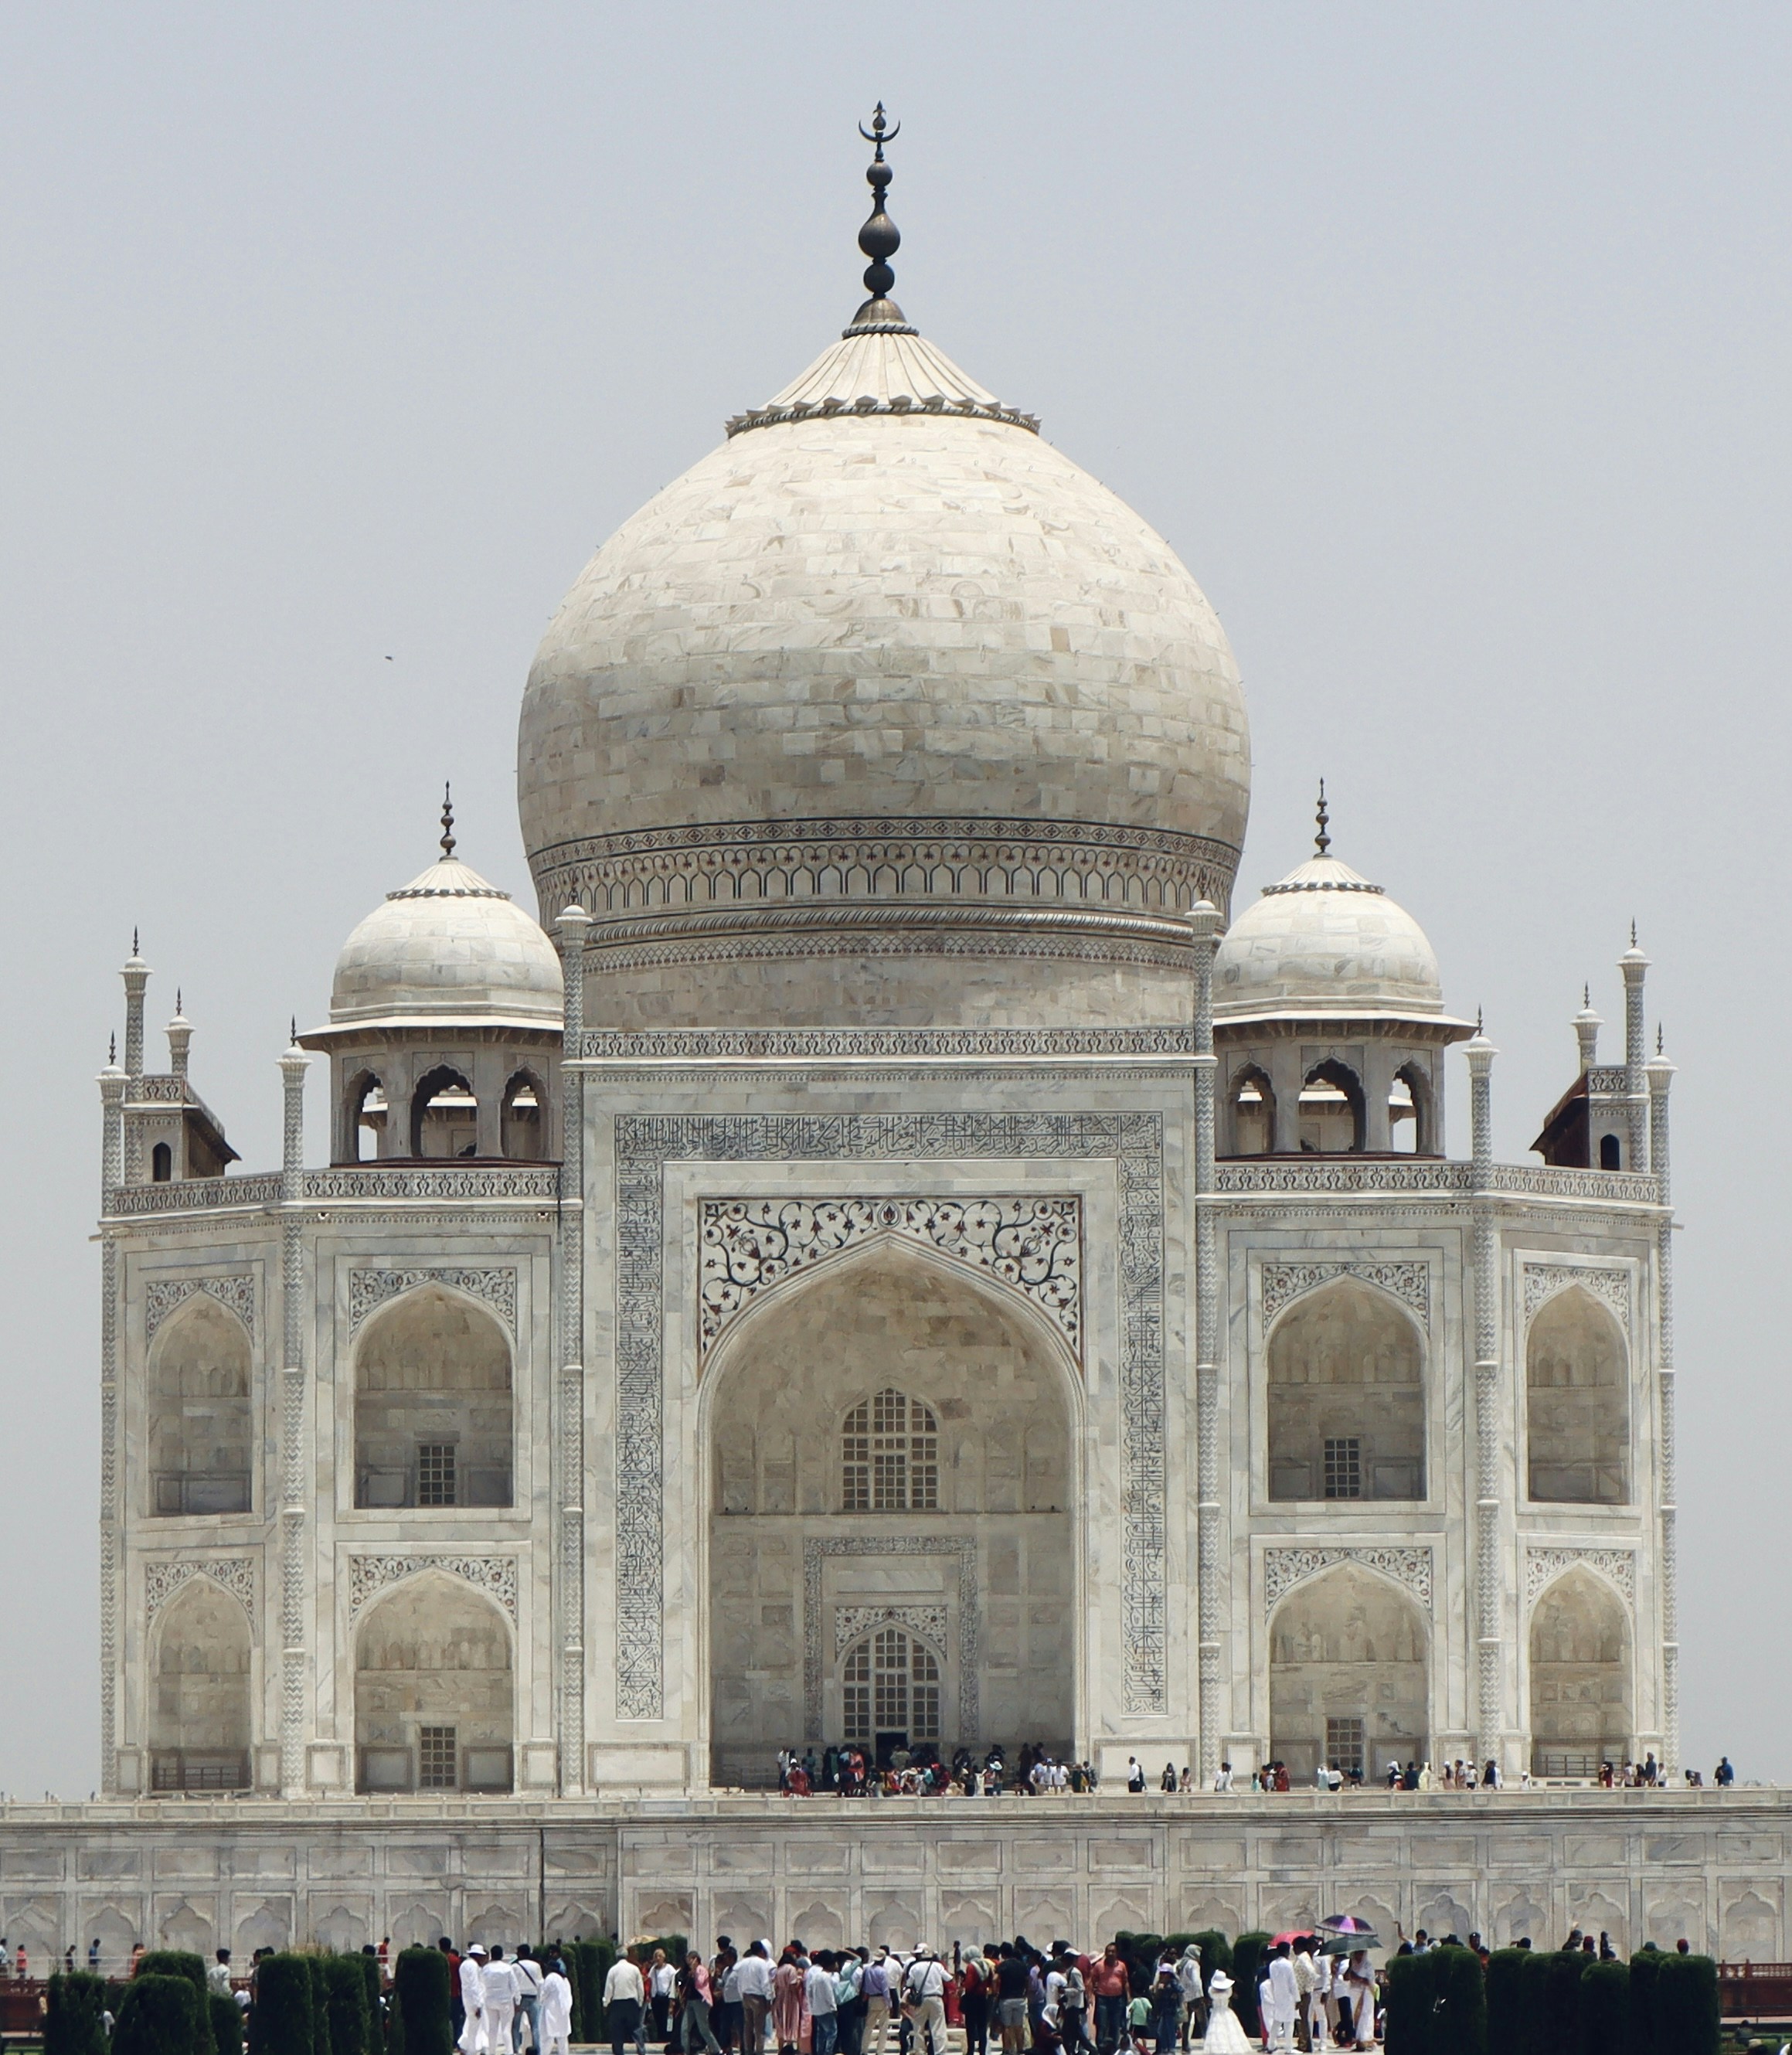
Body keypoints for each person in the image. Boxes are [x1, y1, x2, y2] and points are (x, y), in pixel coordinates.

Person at [904, 1948, 948, 2055]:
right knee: (938, 2028)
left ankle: (919, 2051)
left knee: (918, 2026)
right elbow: (948, 1978)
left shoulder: (915, 1967)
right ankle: (940, 2052)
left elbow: (909, 1984)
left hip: (921, 1999)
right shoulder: (938, 1966)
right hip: (936, 1998)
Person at [679, 1949, 723, 2055]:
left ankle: (717, 2049)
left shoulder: (702, 1970)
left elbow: (700, 1983)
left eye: (691, 1959)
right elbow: (682, 1983)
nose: (689, 1962)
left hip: (700, 2001)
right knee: (684, 2028)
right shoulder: (688, 1971)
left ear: (696, 1959)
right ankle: (685, 2051)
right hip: (690, 2001)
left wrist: (695, 1971)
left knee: (703, 2028)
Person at [1090, 1945, 1130, 2055]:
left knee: (1115, 2024)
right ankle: (1100, 2049)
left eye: (1113, 1951)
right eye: (1108, 1951)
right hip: (1103, 1999)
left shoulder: (1122, 1966)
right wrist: (1093, 1991)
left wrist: (1129, 1996)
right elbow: (1093, 1979)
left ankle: (1113, 2049)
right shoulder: (1099, 1966)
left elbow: (1125, 1981)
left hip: (1117, 1999)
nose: (1111, 1953)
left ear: (1117, 1953)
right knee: (1102, 2024)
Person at [604, 1951, 646, 2055]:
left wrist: (606, 2004)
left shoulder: (612, 1970)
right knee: (636, 2030)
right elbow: (640, 1989)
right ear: (627, 1957)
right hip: (632, 2003)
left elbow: (609, 1989)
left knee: (617, 2032)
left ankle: (619, 2053)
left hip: (617, 2004)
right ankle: (641, 2051)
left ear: (616, 1957)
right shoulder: (634, 1969)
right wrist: (640, 2003)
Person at [736, 1944, 774, 2055]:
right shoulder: (761, 1963)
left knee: (748, 2026)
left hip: (745, 1996)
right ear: (761, 1951)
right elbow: (765, 1983)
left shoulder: (742, 1963)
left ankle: (748, 2050)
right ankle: (759, 2051)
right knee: (759, 2027)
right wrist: (769, 1999)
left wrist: (741, 1995)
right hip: (758, 1997)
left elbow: (738, 1981)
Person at [484, 1945, 519, 2055]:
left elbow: (481, 1985)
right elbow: (515, 1986)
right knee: (506, 2029)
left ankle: (492, 2052)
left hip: (489, 2001)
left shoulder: (485, 1969)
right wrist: (517, 2001)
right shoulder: (507, 1968)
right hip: (505, 2002)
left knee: (492, 2029)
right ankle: (509, 2052)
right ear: (502, 1955)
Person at [1261, 1946, 1297, 2055]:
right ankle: (1289, 2048)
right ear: (1287, 1952)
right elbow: (1292, 1982)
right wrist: (1297, 1997)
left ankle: (1271, 2044)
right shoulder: (1288, 1964)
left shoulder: (1273, 1965)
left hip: (1277, 1995)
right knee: (1289, 2023)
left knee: (1276, 2022)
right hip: (1288, 1996)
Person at [771, 1948, 808, 2055]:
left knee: (781, 2024)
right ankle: (793, 2049)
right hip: (790, 1999)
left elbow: (776, 1986)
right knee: (792, 2022)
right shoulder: (791, 1969)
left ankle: (780, 2049)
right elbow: (792, 1985)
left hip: (780, 1998)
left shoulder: (779, 1969)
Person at [856, 1950, 889, 2055]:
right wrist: (889, 2003)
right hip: (882, 2000)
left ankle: (864, 2050)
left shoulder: (867, 1970)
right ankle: (880, 2051)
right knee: (883, 2027)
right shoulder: (882, 1971)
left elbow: (864, 1987)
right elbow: (885, 1989)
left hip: (871, 1999)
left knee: (868, 2027)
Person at [460, 1946, 490, 2055]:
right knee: (474, 2027)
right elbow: (474, 1986)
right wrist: (478, 2004)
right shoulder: (473, 1966)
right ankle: (471, 2051)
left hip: (468, 1999)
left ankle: (471, 2048)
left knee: (473, 2025)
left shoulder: (465, 1964)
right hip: (474, 2001)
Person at [961, 1947, 991, 2055]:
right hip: (983, 1998)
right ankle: (982, 2050)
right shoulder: (986, 1965)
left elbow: (969, 1984)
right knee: (982, 2026)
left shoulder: (971, 1966)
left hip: (972, 1999)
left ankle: (971, 2050)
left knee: (971, 2026)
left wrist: (962, 1985)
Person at [542, 1959, 575, 2055]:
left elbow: (544, 1993)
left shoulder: (551, 1978)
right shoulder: (565, 1980)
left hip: (551, 2011)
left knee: (547, 2037)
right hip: (563, 2012)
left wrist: (541, 2000)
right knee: (563, 2040)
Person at [515, 1951, 544, 2054]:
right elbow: (540, 1983)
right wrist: (540, 1999)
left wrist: (515, 2001)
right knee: (535, 2026)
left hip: (520, 1998)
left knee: (516, 2026)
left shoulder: (516, 1966)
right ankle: (538, 2050)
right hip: (533, 1997)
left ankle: (516, 2049)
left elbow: (514, 1985)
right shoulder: (536, 1965)